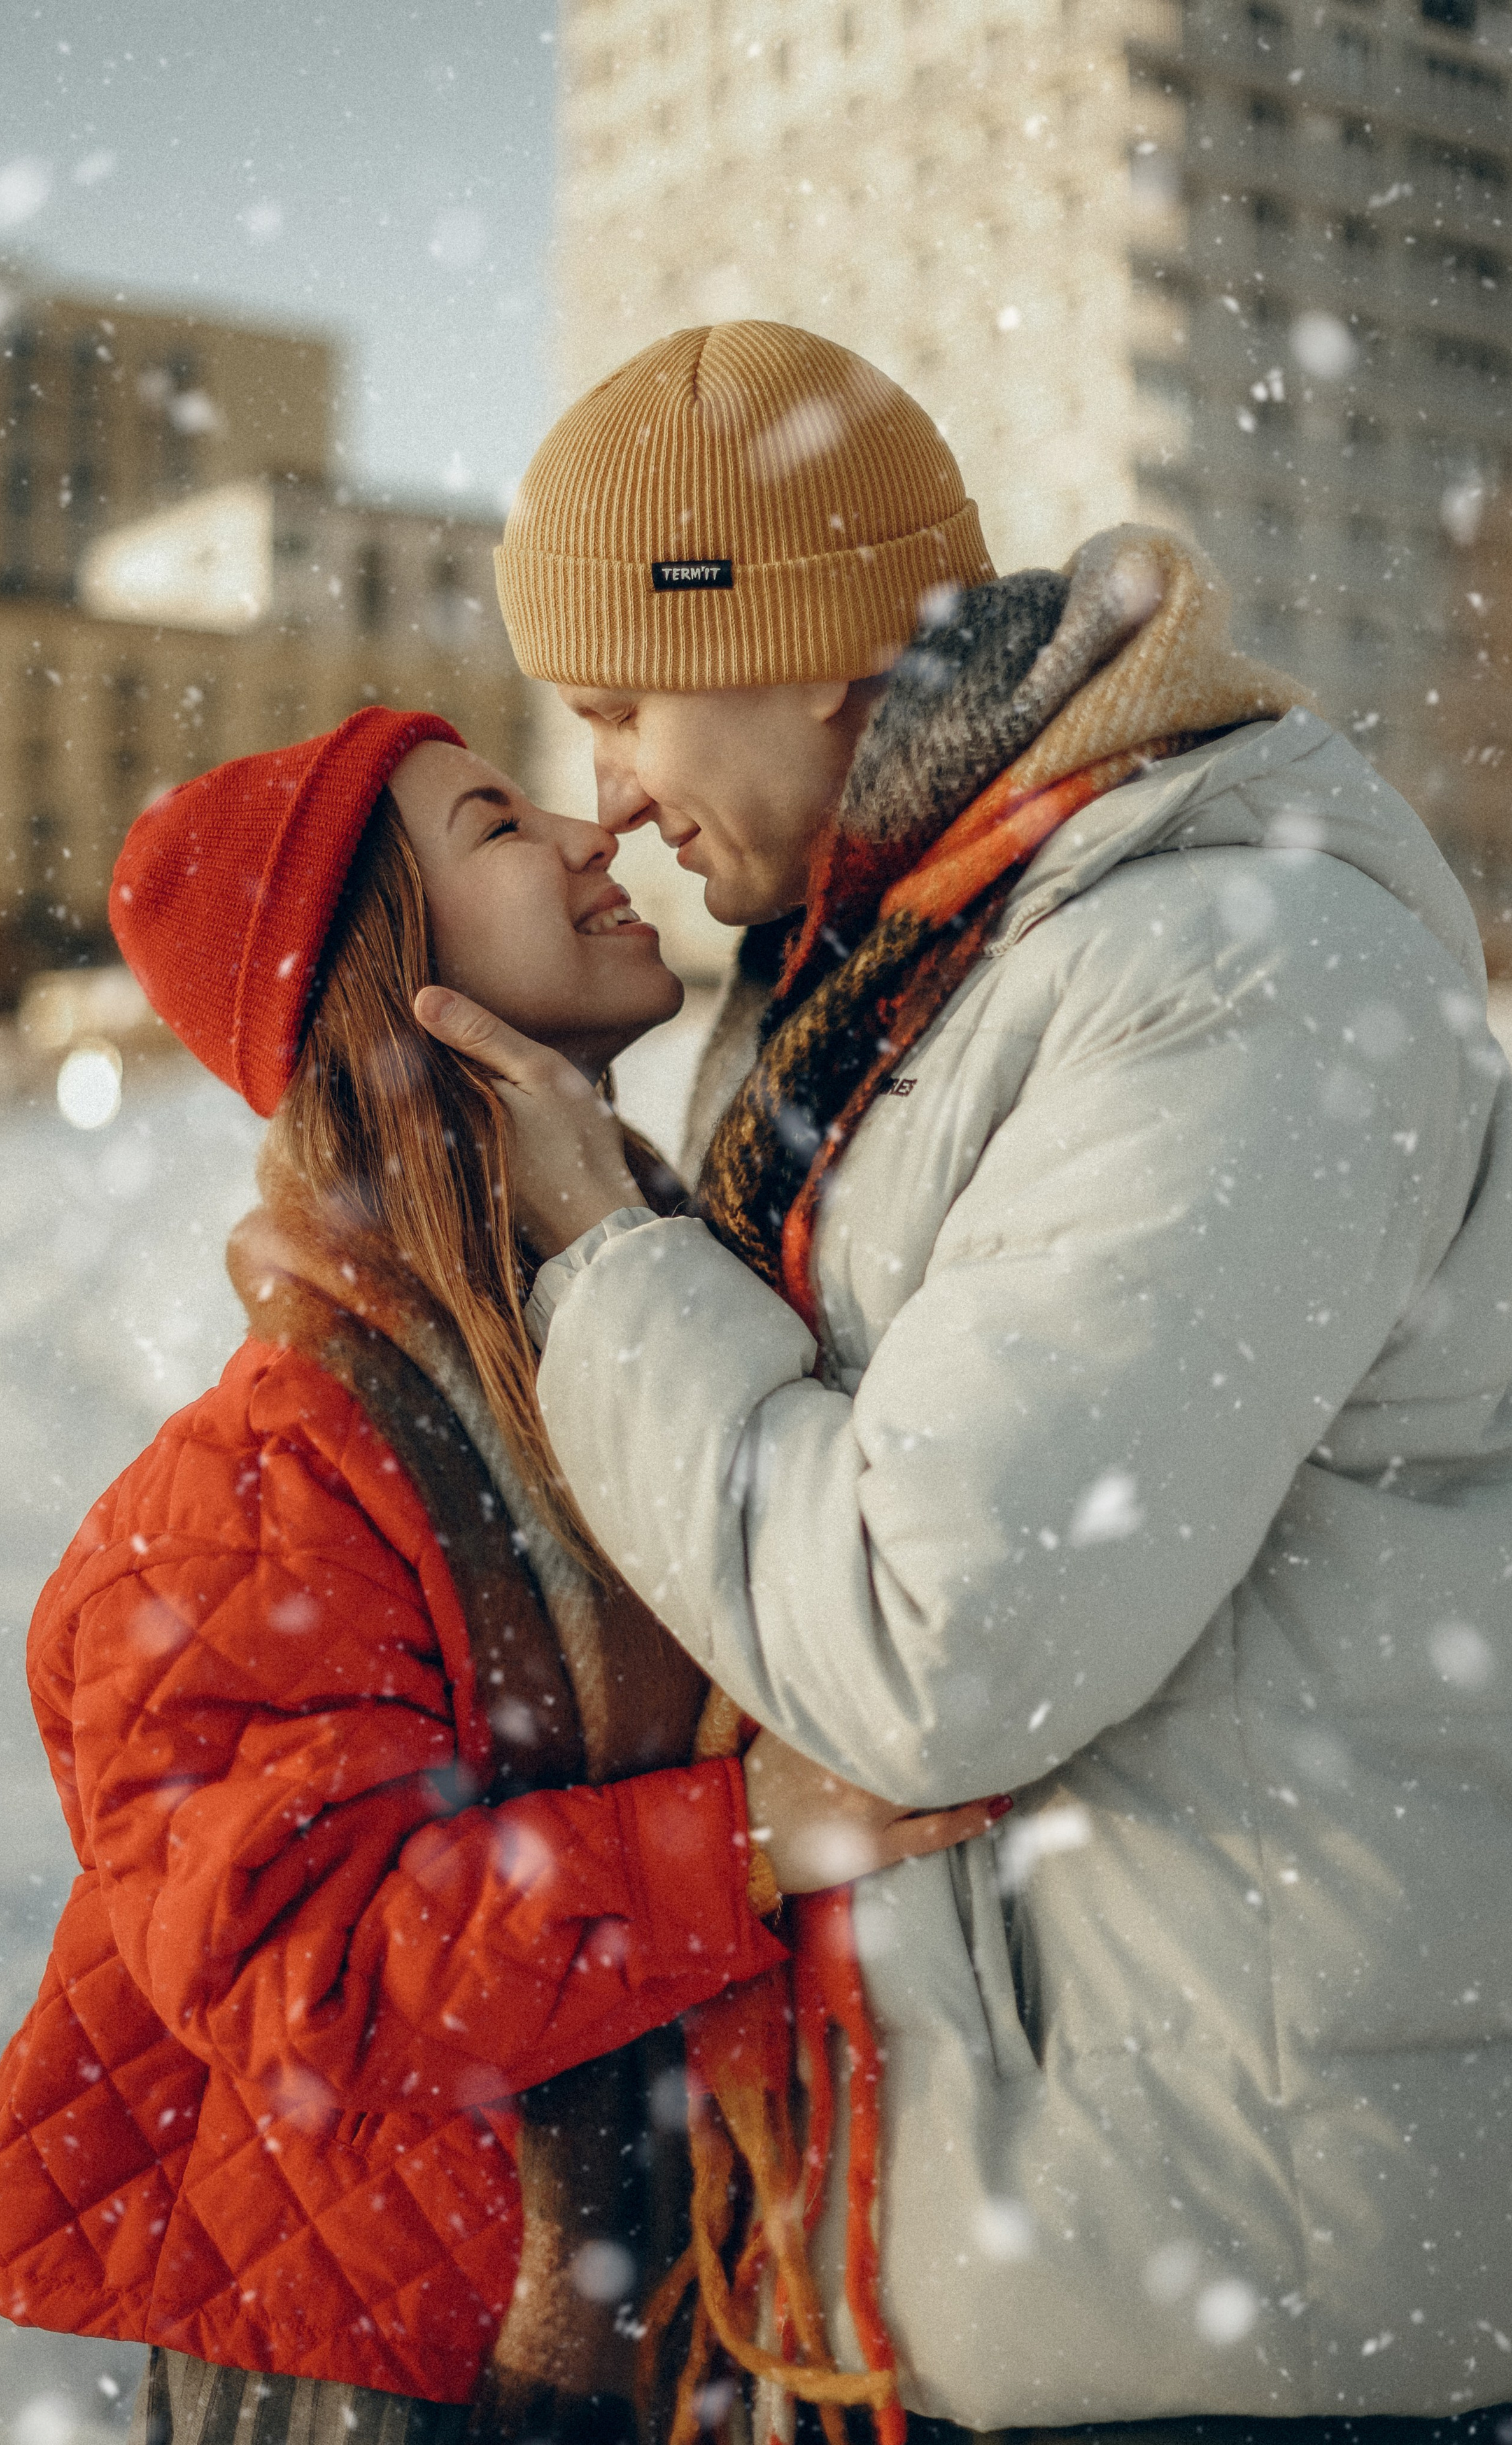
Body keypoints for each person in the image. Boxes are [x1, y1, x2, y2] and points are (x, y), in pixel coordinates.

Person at [411, 322, 1512, 2441]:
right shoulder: (886, 973)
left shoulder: (1220, 968)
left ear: (813, 651)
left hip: (1259, 2311)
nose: (612, 784)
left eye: (629, 697)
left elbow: (937, 1642)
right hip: (1042, 2258)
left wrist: (614, 1262)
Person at [0, 706, 998, 2445]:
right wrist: (739, 1842)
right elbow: (311, 1975)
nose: (593, 831)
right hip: (392, 2384)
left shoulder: (638, 1320)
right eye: (501, 829)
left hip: (678, 2333)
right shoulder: (268, 1477)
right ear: (398, 976)